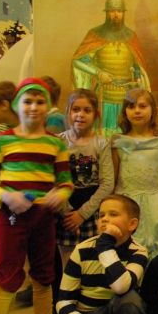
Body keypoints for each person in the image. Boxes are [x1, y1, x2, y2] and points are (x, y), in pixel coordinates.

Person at [0, 78, 74, 314]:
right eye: (27, 101)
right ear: (17, 105)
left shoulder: (55, 143)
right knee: (8, 276)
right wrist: (5, 196)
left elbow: (65, 181)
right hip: (12, 218)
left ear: (48, 106)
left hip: (43, 219)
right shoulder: (2, 140)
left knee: (44, 276)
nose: (33, 107)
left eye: (40, 102)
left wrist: (61, 194)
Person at [56, 195, 149, 314]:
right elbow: (63, 301)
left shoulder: (138, 252)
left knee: (130, 300)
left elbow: (120, 286)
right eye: (101, 215)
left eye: (113, 214)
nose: (105, 219)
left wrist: (105, 245)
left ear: (132, 224)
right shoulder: (82, 250)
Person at [71, 0, 150, 137]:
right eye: (112, 11)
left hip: (127, 98)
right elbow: (78, 61)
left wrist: (138, 79)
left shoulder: (131, 36)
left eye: (119, 11)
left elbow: (137, 65)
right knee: (102, 136)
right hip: (103, 95)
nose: (116, 15)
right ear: (107, 13)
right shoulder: (96, 35)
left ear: (123, 13)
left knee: (125, 135)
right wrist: (99, 73)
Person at [57, 89, 115, 268]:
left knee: (92, 262)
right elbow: (53, 180)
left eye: (87, 110)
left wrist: (82, 214)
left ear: (95, 115)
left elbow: (107, 183)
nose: (80, 115)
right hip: (65, 211)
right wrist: (68, 214)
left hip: (91, 210)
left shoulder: (102, 144)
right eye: (76, 109)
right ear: (68, 112)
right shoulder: (58, 142)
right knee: (68, 264)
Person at [112, 89, 158, 259]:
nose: (137, 111)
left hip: (156, 204)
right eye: (131, 107)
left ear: (152, 110)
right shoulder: (118, 142)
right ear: (125, 112)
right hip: (127, 202)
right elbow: (113, 178)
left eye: (142, 106)